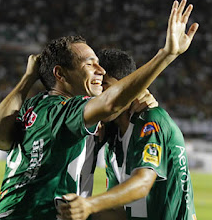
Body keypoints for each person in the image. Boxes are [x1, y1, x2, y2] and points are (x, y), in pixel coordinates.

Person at [0, 0, 198, 219]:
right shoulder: (65, 110)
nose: (99, 71)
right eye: (89, 64)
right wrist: (166, 55)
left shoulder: (33, 106)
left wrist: (28, 78)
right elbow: (109, 103)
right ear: (61, 74)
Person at [58, 48, 197, 220]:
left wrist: (89, 205)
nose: (101, 96)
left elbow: (143, 183)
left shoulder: (151, 120)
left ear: (128, 87)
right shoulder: (111, 136)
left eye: (106, 86)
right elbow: (122, 213)